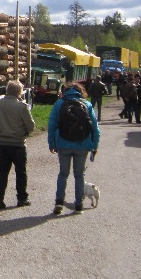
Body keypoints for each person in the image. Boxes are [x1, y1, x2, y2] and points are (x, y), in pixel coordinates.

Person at [48, 82, 101, 214]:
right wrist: (95, 146)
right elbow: (95, 128)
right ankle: (78, 205)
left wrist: (52, 143)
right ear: (81, 91)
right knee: (79, 175)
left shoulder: (59, 104)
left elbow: (52, 125)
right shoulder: (87, 104)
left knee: (63, 174)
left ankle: (59, 202)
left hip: (63, 144)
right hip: (83, 145)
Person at [0, 80, 35, 209]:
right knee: (21, 172)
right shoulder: (22, 106)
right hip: (18, 143)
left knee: (2, 171)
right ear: (19, 92)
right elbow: (31, 126)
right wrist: (24, 132)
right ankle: (22, 198)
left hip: (2, 143)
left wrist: (2, 126)